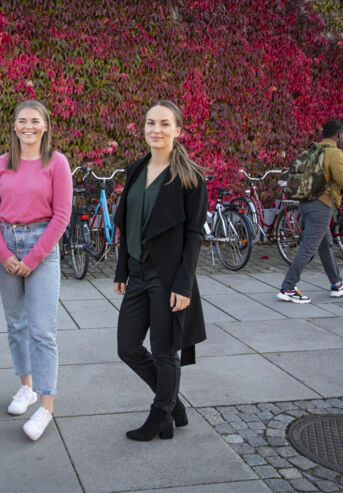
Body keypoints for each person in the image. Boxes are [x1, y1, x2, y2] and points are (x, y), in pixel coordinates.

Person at [113, 100, 208, 441]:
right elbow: (127, 224)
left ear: (177, 131)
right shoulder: (136, 170)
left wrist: (183, 285)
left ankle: (159, 416)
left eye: (165, 124)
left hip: (167, 277)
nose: (156, 129)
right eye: (151, 123)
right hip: (137, 272)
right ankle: (172, 405)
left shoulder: (190, 177)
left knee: (165, 350)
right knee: (127, 347)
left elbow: (195, 234)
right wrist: (122, 269)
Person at [0, 100, 72, 441]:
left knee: (42, 330)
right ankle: (26, 387)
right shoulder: (1, 164)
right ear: (14, 126)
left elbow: (61, 216)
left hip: (42, 248)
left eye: (35, 121)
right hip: (6, 246)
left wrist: (32, 258)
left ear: (46, 126)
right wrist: (3, 252)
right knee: (16, 324)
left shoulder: (57, 163)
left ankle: (45, 407)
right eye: (22, 120)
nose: (28, 126)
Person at [277, 119, 343, 304]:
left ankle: (336, 283)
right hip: (321, 205)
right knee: (308, 247)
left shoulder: (311, 150)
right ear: (338, 135)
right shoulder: (334, 153)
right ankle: (288, 287)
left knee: (325, 244)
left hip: (305, 203)